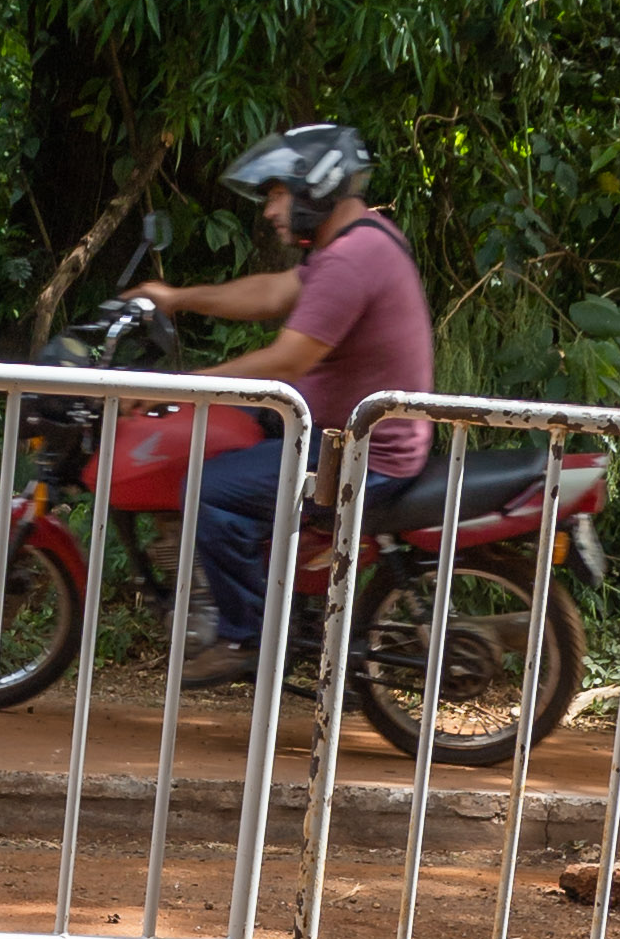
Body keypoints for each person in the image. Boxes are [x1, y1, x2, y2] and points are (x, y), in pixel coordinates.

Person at [150, 122, 435, 676]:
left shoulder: (352, 259)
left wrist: (185, 387)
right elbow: (274, 292)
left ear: (316, 187)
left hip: (362, 457)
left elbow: (289, 359)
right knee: (241, 433)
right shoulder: (358, 239)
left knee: (209, 491)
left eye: (277, 194)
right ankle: (273, 587)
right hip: (341, 433)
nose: (269, 210)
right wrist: (176, 298)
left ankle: (247, 638)